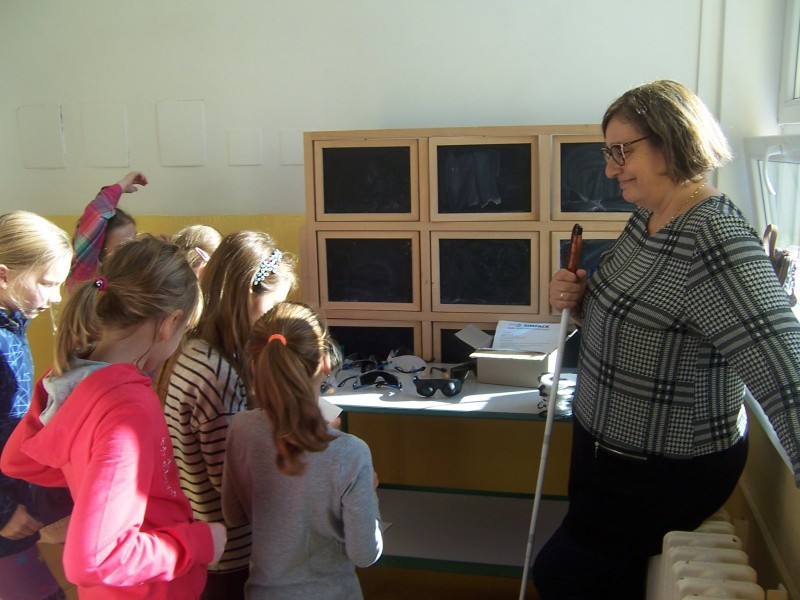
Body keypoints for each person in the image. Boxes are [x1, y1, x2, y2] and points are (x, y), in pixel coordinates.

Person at [532, 79, 800, 600]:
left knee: (561, 576)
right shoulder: (645, 218)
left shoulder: (715, 239)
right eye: (608, 152)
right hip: (604, 452)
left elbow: (784, 369)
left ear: (673, 140)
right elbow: (639, 317)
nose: (610, 169)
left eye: (622, 151)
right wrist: (579, 300)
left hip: (660, 469)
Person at [1, 235, 227, 599]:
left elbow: (17, 460)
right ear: (169, 323)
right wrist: (198, 542)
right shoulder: (127, 407)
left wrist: (91, 472)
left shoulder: (73, 379)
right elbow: (98, 559)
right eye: (184, 331)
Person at [161, 230, 297, 600]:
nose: (274, 321)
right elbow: (231, 485)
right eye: (272, 308)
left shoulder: (196, 348)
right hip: (231, 553)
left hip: (211, 538)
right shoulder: (217, 373)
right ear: (244, 296)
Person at [222, 301, 383, 599]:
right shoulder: (350, 453)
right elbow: (365, 554)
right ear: (326, 362)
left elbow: (233, 515)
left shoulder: (240, 428)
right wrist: (368, 493)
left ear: (256, 365)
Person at [0, 211, 73, 599]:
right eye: (47, 283)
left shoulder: (12, 324)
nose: (57, 297)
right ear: (3, 276)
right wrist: (3, 509)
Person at [66, 171, 146, 290]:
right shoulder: (86, 275)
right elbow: (97, 214)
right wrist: (122, 185)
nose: (134, 248)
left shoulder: (123, 270)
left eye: (135, 237)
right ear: (100, 251)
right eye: (124, 246)